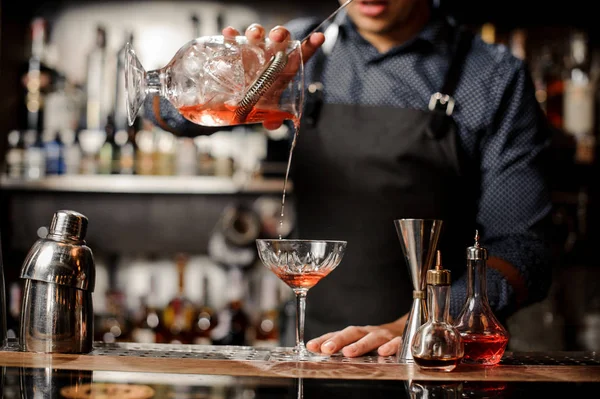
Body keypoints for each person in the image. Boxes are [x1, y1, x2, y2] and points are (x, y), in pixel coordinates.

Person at [147, 0, 554, 358]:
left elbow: (526, 249)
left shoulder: (492, 76)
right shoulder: (298, 49)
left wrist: (428, 320)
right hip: (310, 347)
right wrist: (226, 86)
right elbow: (159, 112)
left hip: (436, 353)